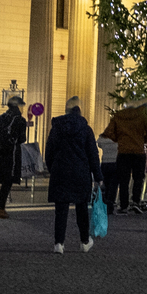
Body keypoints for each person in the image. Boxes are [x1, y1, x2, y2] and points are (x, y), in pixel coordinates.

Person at [45, 96, 102, 254]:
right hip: (80, 172)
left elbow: (49, 152)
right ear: (79, 110)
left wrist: (53, 168)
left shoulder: (56, 128)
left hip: (60, 172)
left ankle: (59, 244)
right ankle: (84, 241)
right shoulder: (85, 129)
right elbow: (93, 154)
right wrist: (98, 177)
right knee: (82, 208)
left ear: (66, 110)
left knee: (61, 210)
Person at [100, 98, 147, 215]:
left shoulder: (118, 116)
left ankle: (124, 205)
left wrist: (119, 139)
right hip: (138, 152)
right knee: (138, 178)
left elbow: (108, 133)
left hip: (123, 152)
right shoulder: (142, 116)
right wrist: (141, 140)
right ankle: (135, 202)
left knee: (123, 179)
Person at [0, 97, 27, 218]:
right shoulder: (20, 120)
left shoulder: (0, 118)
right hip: (11, 155)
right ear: (17, 106)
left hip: (0, 155)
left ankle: (1, 208)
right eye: (22, 106)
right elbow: (22, 139)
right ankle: (0, 209)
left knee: (5, 182)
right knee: (7, 182)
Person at [97, 132, 119, 219]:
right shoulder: (118, 139)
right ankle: (110, 205)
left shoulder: (103, 139)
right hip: (115, 162)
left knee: (105, 184)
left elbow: (99, 143)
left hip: (105, 163)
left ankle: (104, 203)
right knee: (113, 186)